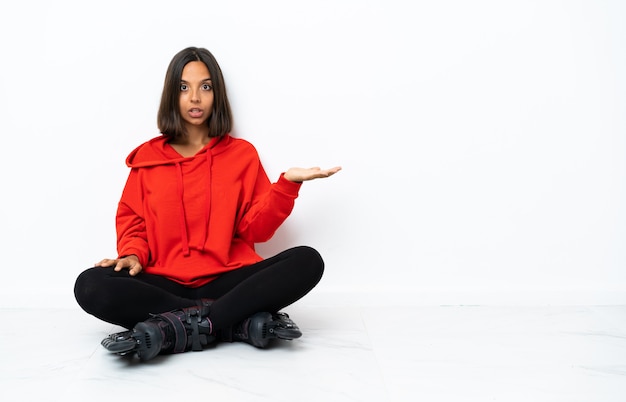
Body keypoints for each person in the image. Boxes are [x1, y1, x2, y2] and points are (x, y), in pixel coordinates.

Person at [74, 46, 341, 362]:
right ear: (172, 95)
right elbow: (134, 223)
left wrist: (287, 186)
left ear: (218, 94)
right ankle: (232, 323)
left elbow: (256, 228)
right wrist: (132, 254)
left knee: (307, 260)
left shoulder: (242, 155)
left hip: (226, 279)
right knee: (90, 285)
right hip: (165, 283)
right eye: (184, 88)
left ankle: (174, 327)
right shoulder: (148, 159)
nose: (195, 98)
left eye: (206, 87)